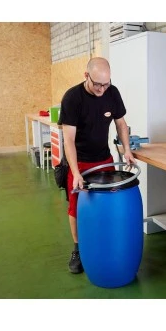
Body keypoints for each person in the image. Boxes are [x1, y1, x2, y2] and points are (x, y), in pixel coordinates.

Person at [58, 57, 136, 274]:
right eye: (98, 84)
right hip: (79, 161)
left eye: (106, 84)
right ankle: (78, 249)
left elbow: (121, 124)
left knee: (107, 202)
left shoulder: (112, 93)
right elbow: (68, 140)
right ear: (86, 76)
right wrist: (76, 172)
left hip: (104, 160)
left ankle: (105, 240)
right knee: (76, 206)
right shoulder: (72, 98)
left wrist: (126, 150)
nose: (102, 89)